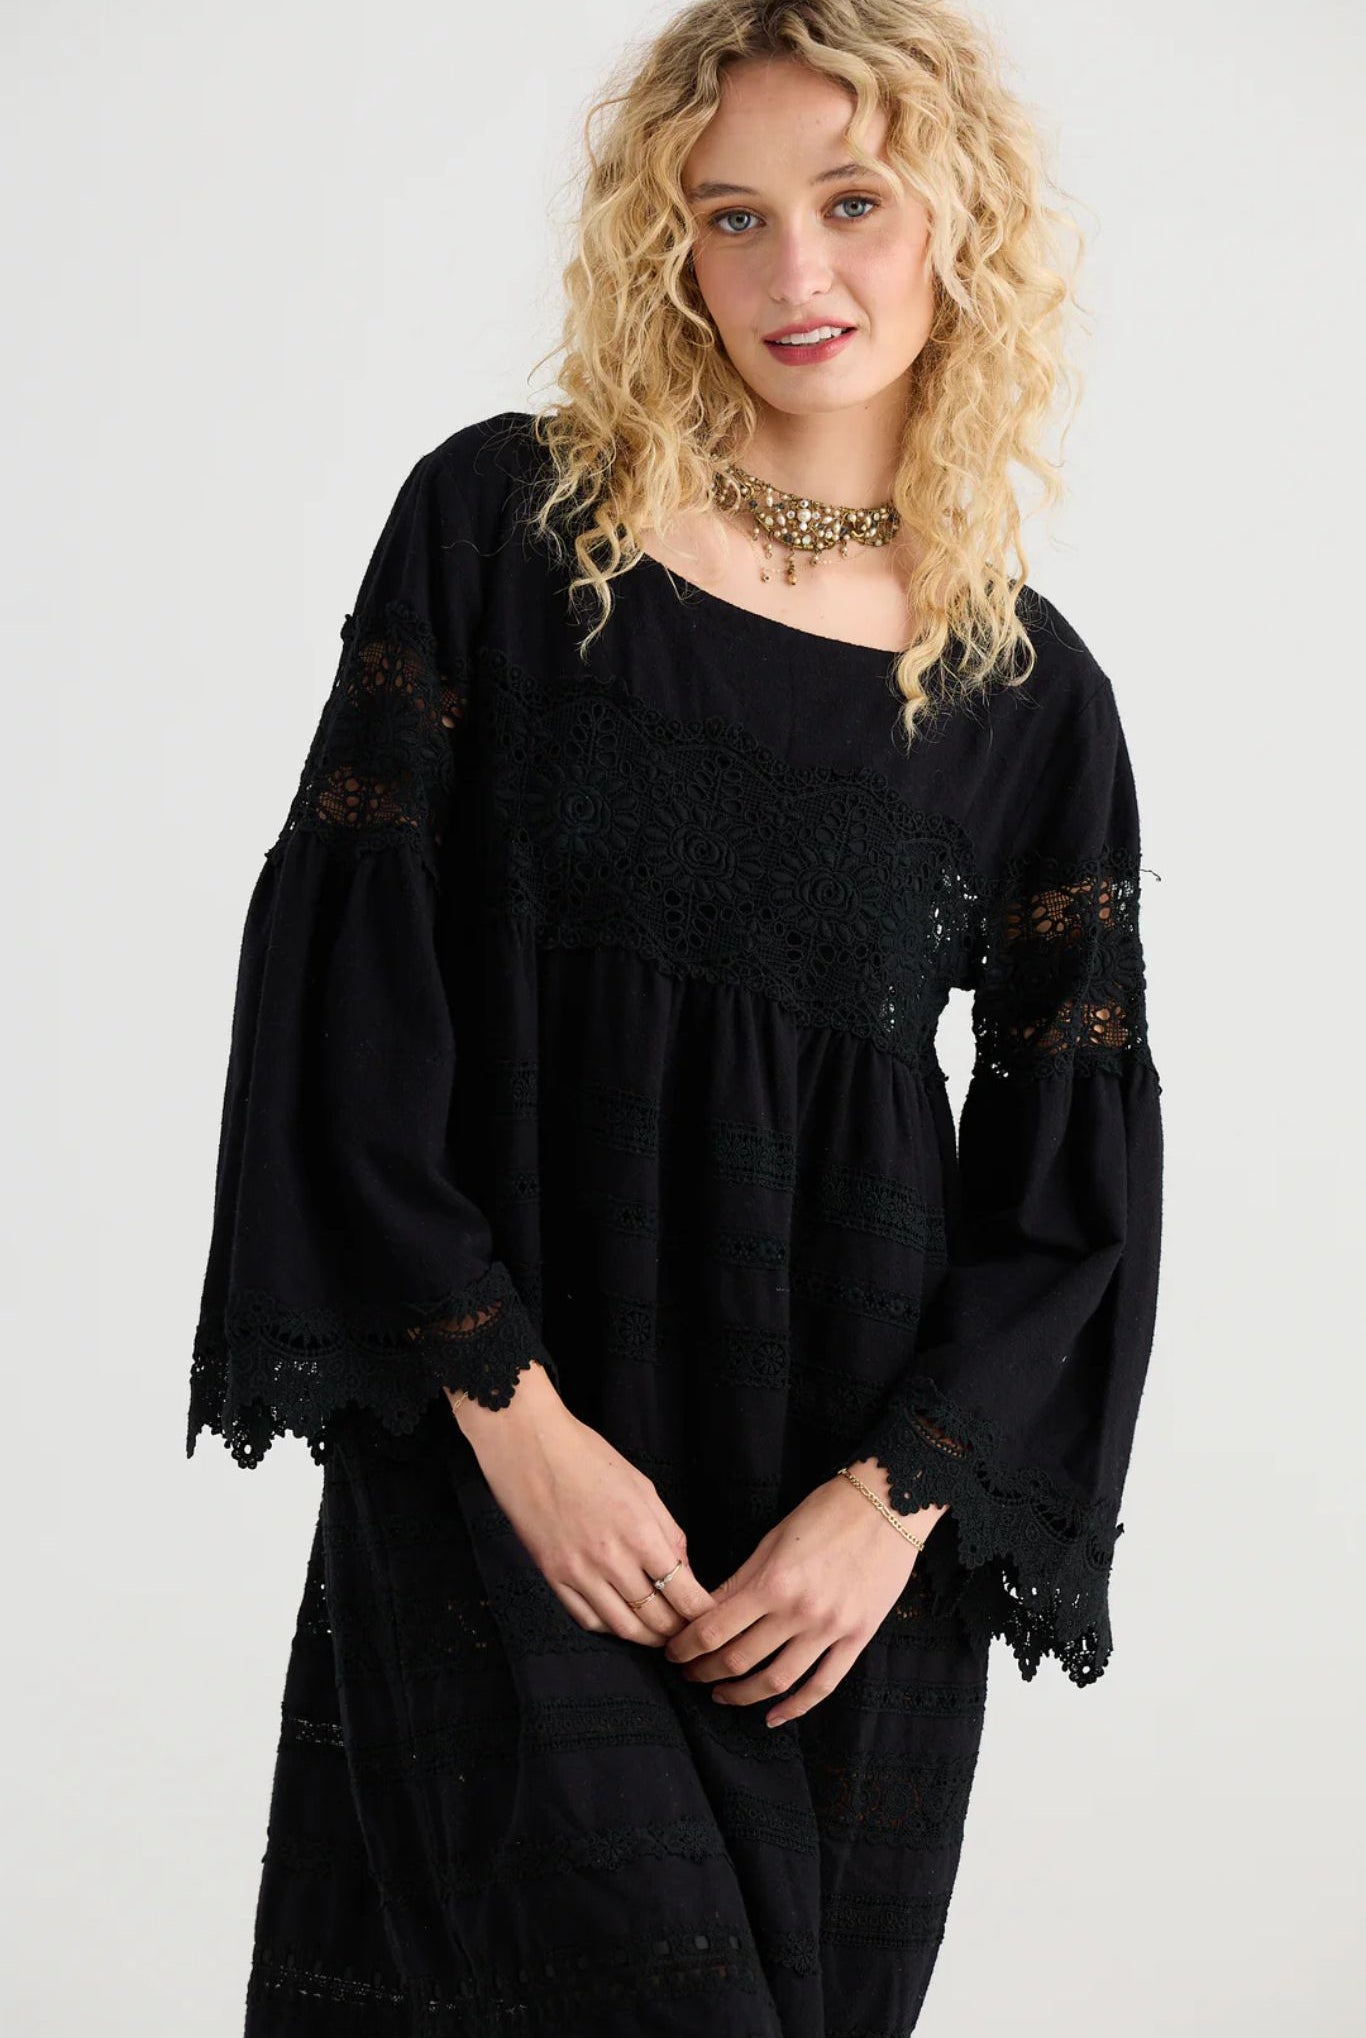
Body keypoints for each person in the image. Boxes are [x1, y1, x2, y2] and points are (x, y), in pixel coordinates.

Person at [186, 3, 1164, 2031]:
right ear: (667, 245)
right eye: (730, 215)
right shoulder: (505, 535)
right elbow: (346, 1002)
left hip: (829, 1578)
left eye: (852, 200)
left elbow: (1066, 1197)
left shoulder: (1028, 699)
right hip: (509, 1476)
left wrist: (886, 1507)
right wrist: (518, 1426)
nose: (795, 269)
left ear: (960, 222)